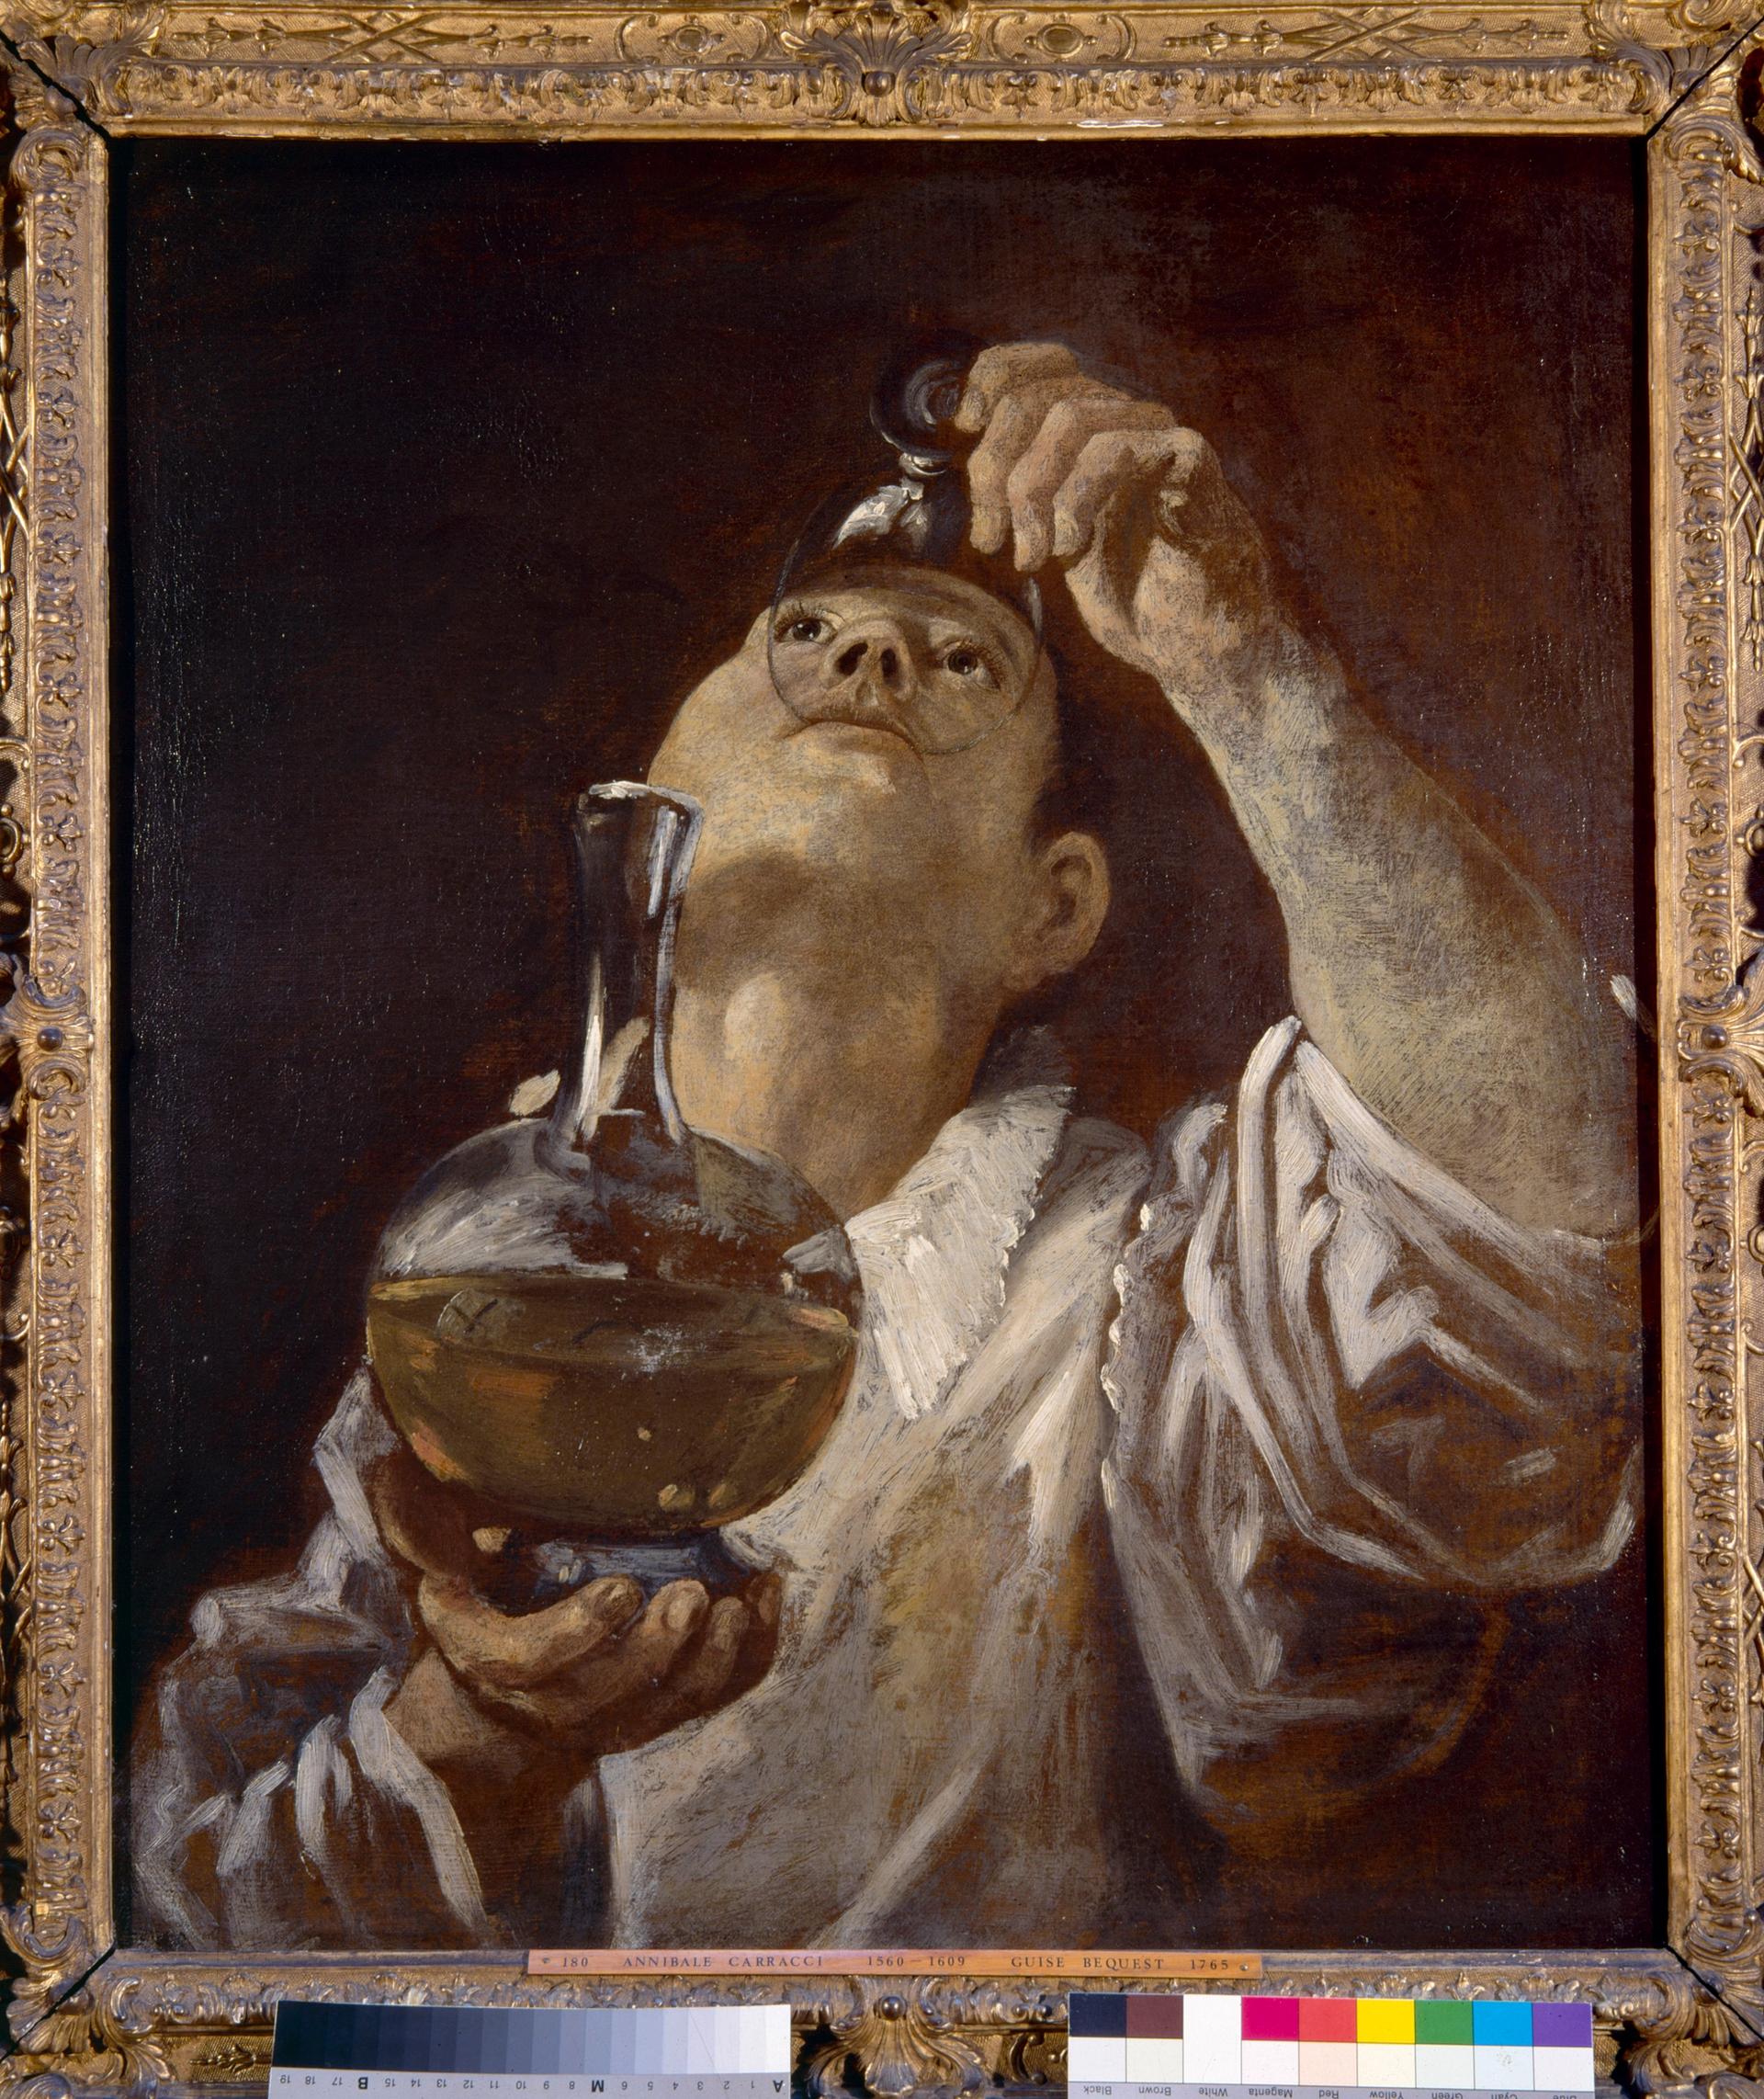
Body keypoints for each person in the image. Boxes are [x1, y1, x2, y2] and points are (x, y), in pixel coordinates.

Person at [133, 341, 1641, 1950]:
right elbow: (189, 1928)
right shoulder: (478, 1296)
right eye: (804, 634)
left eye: (965, 661)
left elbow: (1537, 1241)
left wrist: (1244, 664)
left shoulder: (1154, 1286)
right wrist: (478, 1736)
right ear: (657, 791)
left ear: (1053, 907)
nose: (868, 657)